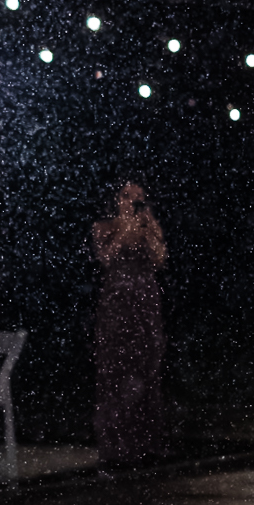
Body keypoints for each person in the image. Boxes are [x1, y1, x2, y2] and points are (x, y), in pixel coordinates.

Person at [91, 180, 168, 468]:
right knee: (115, 372)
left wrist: (150, 233)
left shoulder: (149, 225)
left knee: (146, 370)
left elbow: (160, 260)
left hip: (145, 302)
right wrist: (125, 230)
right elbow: (106, 257)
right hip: (117, 302)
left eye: (138, 198)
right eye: (126, 196)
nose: (131, 203)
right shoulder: (105, 227)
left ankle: (146, 444)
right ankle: (114, 445)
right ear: (116, 199)